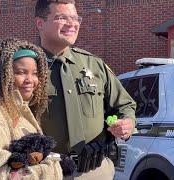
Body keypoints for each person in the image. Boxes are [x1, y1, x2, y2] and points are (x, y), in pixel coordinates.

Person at [34, 0, 137, 179]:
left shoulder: (94, 65)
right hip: (48, 172)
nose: (72, 23)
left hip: (95, 171)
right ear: (40, 23)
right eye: (62, 17)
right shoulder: (26, 68)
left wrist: (127, 122)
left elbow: (124, 105)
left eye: (75, 18)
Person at [0, 38, 63, 180]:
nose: (30, 79)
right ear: (1, 75)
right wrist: (49, 170)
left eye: (35, 73)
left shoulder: (21, 109)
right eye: (21, 72)